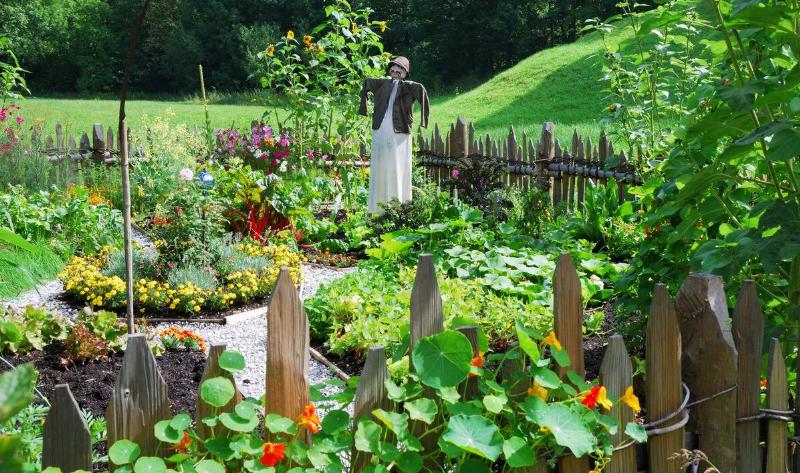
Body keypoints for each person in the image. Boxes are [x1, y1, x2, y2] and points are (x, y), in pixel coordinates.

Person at [359, 56, 430, 214]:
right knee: (380, 166)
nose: (395, 72)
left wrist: (424, 121)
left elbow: (422, 93)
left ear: (405, 72)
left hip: (400, 133)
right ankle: (377, 209)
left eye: (400, 69)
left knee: (398, 167)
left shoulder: (410, 87)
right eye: (393, 68)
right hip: (380, 131)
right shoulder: (382, 84)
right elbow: (366, 83)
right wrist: (363, 109)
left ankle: (398, 208)